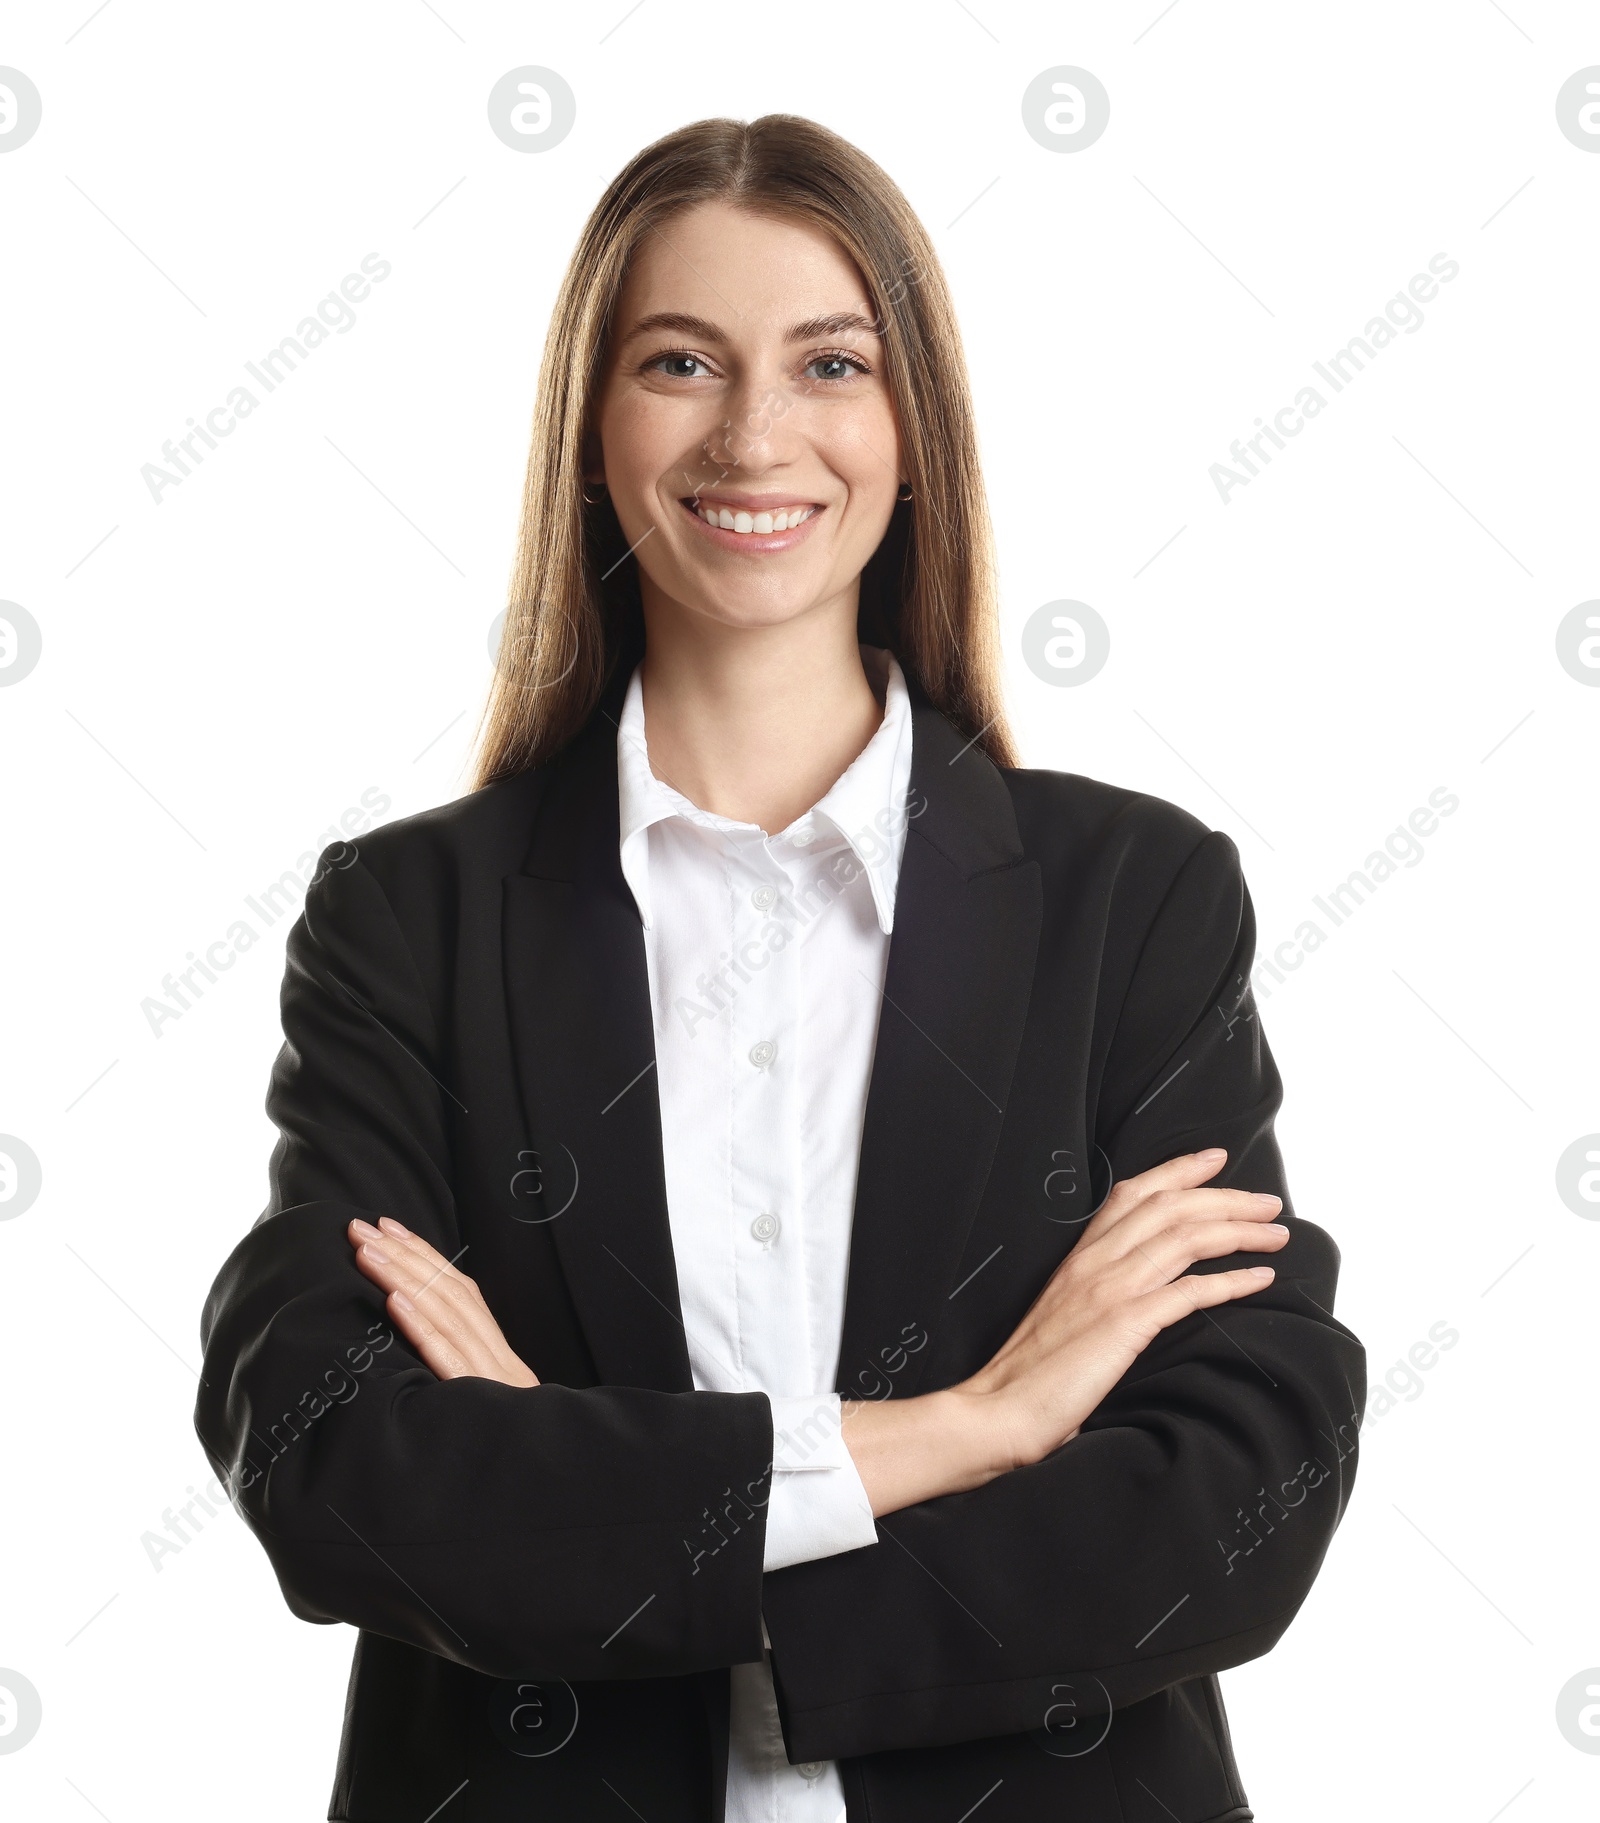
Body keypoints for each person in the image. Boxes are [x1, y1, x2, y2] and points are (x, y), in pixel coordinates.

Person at [196, 115, 1365, 1823]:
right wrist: (985, 1423)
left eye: (831, 362)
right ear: (594, 428)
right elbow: (339, 1461)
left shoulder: (1136, 899)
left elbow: (1235, 1489)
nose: (757, 433)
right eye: (682, 360)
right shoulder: (407, 920)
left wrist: (609, 1519)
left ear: (913, 433)